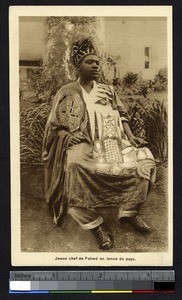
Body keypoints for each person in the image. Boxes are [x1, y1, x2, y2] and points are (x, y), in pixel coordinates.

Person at [42, 39, 156, 250]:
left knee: (144, 161)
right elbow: (54, 125)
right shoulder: (68, 91)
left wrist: (131, 137)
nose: (95, 65)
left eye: (97, 62)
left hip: (112, 141)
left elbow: (121, 115)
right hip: (84, 144)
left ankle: (129, 212)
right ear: (79, 65)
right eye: (89, 62)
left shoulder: (107, 90)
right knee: (74, 167)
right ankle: (94, 224)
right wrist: (66, 135)